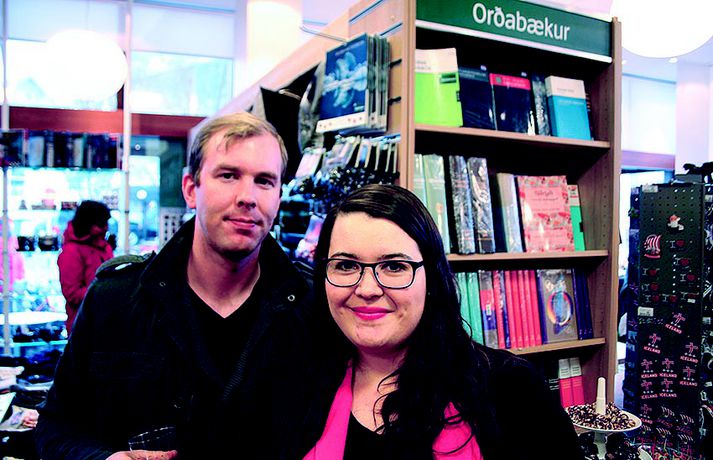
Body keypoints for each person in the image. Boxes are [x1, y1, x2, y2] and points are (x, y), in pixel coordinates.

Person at [36, 112, 315, 459]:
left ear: (278, 196)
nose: (248, 196)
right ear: (191, 189)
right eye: (228, 175)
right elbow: (55, 427)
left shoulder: (312, 310)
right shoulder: (116, 300)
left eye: (264, 181)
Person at [299, 184, 583, 459]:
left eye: (394, 266)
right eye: (346, 265)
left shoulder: (511, 390)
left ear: (431, 279)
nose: (368, 289)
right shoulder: (300, 379)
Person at [57, 200, 114, 335]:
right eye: (101, 224)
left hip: (105, 323)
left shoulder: (104, 247)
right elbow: (72, 293)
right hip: (83, 327)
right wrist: (105, 291)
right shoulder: (71, 251)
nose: (106, 228)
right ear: (88, 224)